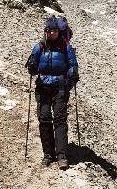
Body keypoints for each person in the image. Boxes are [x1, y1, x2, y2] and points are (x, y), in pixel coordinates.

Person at [26, 16, 79, 169]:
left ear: (58, 32)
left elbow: (72, 64)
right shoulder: (39, 47)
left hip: (60, 88)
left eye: (55, 31)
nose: (52, 34)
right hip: (43, 88)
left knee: (60, 120)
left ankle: (62, 155)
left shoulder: (65, 47)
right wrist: (32, 67)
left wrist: (73, 72)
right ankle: (48, 154)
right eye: (49, 31)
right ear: (45, 31)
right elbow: (34, 66)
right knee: (44, 119)